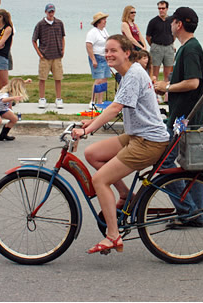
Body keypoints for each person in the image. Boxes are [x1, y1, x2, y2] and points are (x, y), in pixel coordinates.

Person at [71, 34, 170, 255]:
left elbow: (115, 108)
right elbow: (119, 108)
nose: (108, 54)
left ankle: (113, 236)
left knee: (99, 180)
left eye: (113, 50)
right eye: (106, 51)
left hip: (149, 141)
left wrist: (87, 130)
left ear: (127, 53)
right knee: (92, 154)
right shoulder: (127, 74)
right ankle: (125, 195)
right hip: (137, 135)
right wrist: (92, 121)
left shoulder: (133, 74)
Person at [154, 7, 203, 228]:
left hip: (183, 120)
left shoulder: (191, 49)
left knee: (163, 162)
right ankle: (197, 215)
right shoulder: (186, 48)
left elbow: (193, 82)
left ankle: (188, 210)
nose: (172, 25)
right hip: (183, 116)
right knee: (189, 166)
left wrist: (168, 87)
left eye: (173, 21)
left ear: (178, 24)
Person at [32, 3, 65, 109]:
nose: (51, 13)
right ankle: (42, 98)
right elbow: (34, 40)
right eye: (49, 11)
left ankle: (58, 99)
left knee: (58, 78)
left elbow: (63, 37)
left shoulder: (59, 23)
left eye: (52, 11)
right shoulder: (40, 24)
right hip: (45, 56)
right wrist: (39, 53)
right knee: (42, 78)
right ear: (46, 12)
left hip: (57, 55)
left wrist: (63, 49)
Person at [0, 78, 31, 146]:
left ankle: (3, 135)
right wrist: (13, 98)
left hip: (2, 108)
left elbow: (16, 83)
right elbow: (3, 100)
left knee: (14, 119)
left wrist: (25, 81)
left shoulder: (10, 87)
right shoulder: (5, 93)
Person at [145, 0, 175, 84]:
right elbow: (148, 37)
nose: (161, 10)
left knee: (168, 73)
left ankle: (166, 92)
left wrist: (172, 43)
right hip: (157, 47)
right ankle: (154, 92)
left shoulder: (171, 20)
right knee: (154, 73)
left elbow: (174, 34)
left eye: (163, 8)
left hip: (169, 47)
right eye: (159, 8)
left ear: (167, 9)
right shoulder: (153, 21)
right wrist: (153, 46)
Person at [86, 12, 111, 105]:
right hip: (97, 57)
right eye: (103, 19)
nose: (105, 21)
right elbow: (88, 45)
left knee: (104, 79)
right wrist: (93, 59)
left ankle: (100, 101)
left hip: (105, 57)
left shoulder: (104, 30)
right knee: (98, 79)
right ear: (98, 22)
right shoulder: (92, 32)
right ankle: (92, 100)